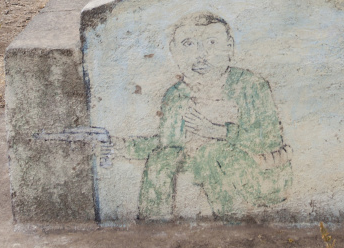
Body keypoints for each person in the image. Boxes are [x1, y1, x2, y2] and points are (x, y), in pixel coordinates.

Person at [124, 12, 292, 220]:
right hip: (202, 170)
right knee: (162, 158)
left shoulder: (250, 85)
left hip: (260, 174)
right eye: (189, 44)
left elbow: (267, 139)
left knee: (210, 152)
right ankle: (154, 228)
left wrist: (219, 131)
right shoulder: (176, 94)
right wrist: (120, 146)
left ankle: (234, 226)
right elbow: (168, 143)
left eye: (211, 42)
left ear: (229, 47)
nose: (201, 55)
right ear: (174, 51)